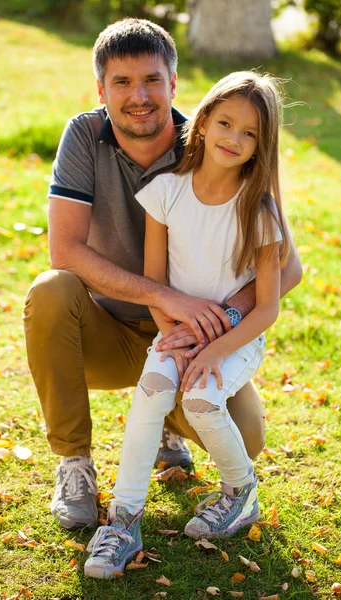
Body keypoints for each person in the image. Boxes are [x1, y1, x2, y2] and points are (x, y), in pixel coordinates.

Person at [23, 19, 302, 534]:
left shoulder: (213, 140)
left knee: (248, 435)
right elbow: (64, 249)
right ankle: (75, 464)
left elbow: (289, 268)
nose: (139, 96)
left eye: (152, 79)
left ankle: (171, 433)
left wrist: (220, 322)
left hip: (192, 340)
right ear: (101, 90)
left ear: (174, 84)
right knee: (51, 290)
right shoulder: (84, 135)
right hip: (107, 332)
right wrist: (169, 299)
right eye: (122, 83)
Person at [84, 70, 290, 579]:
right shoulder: (167, 191)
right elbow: (155, 282)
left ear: (262, 146)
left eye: (250, 134)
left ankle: (241, 492)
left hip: (236, 339)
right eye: (225, 122)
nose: (233, 139)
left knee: (200, 400)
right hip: (178, 328)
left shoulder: (258, 209)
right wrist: (171, 334)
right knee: (152, 390)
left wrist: (216, 351)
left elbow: (267, 308)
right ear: (201, 123)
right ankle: (124, 518)